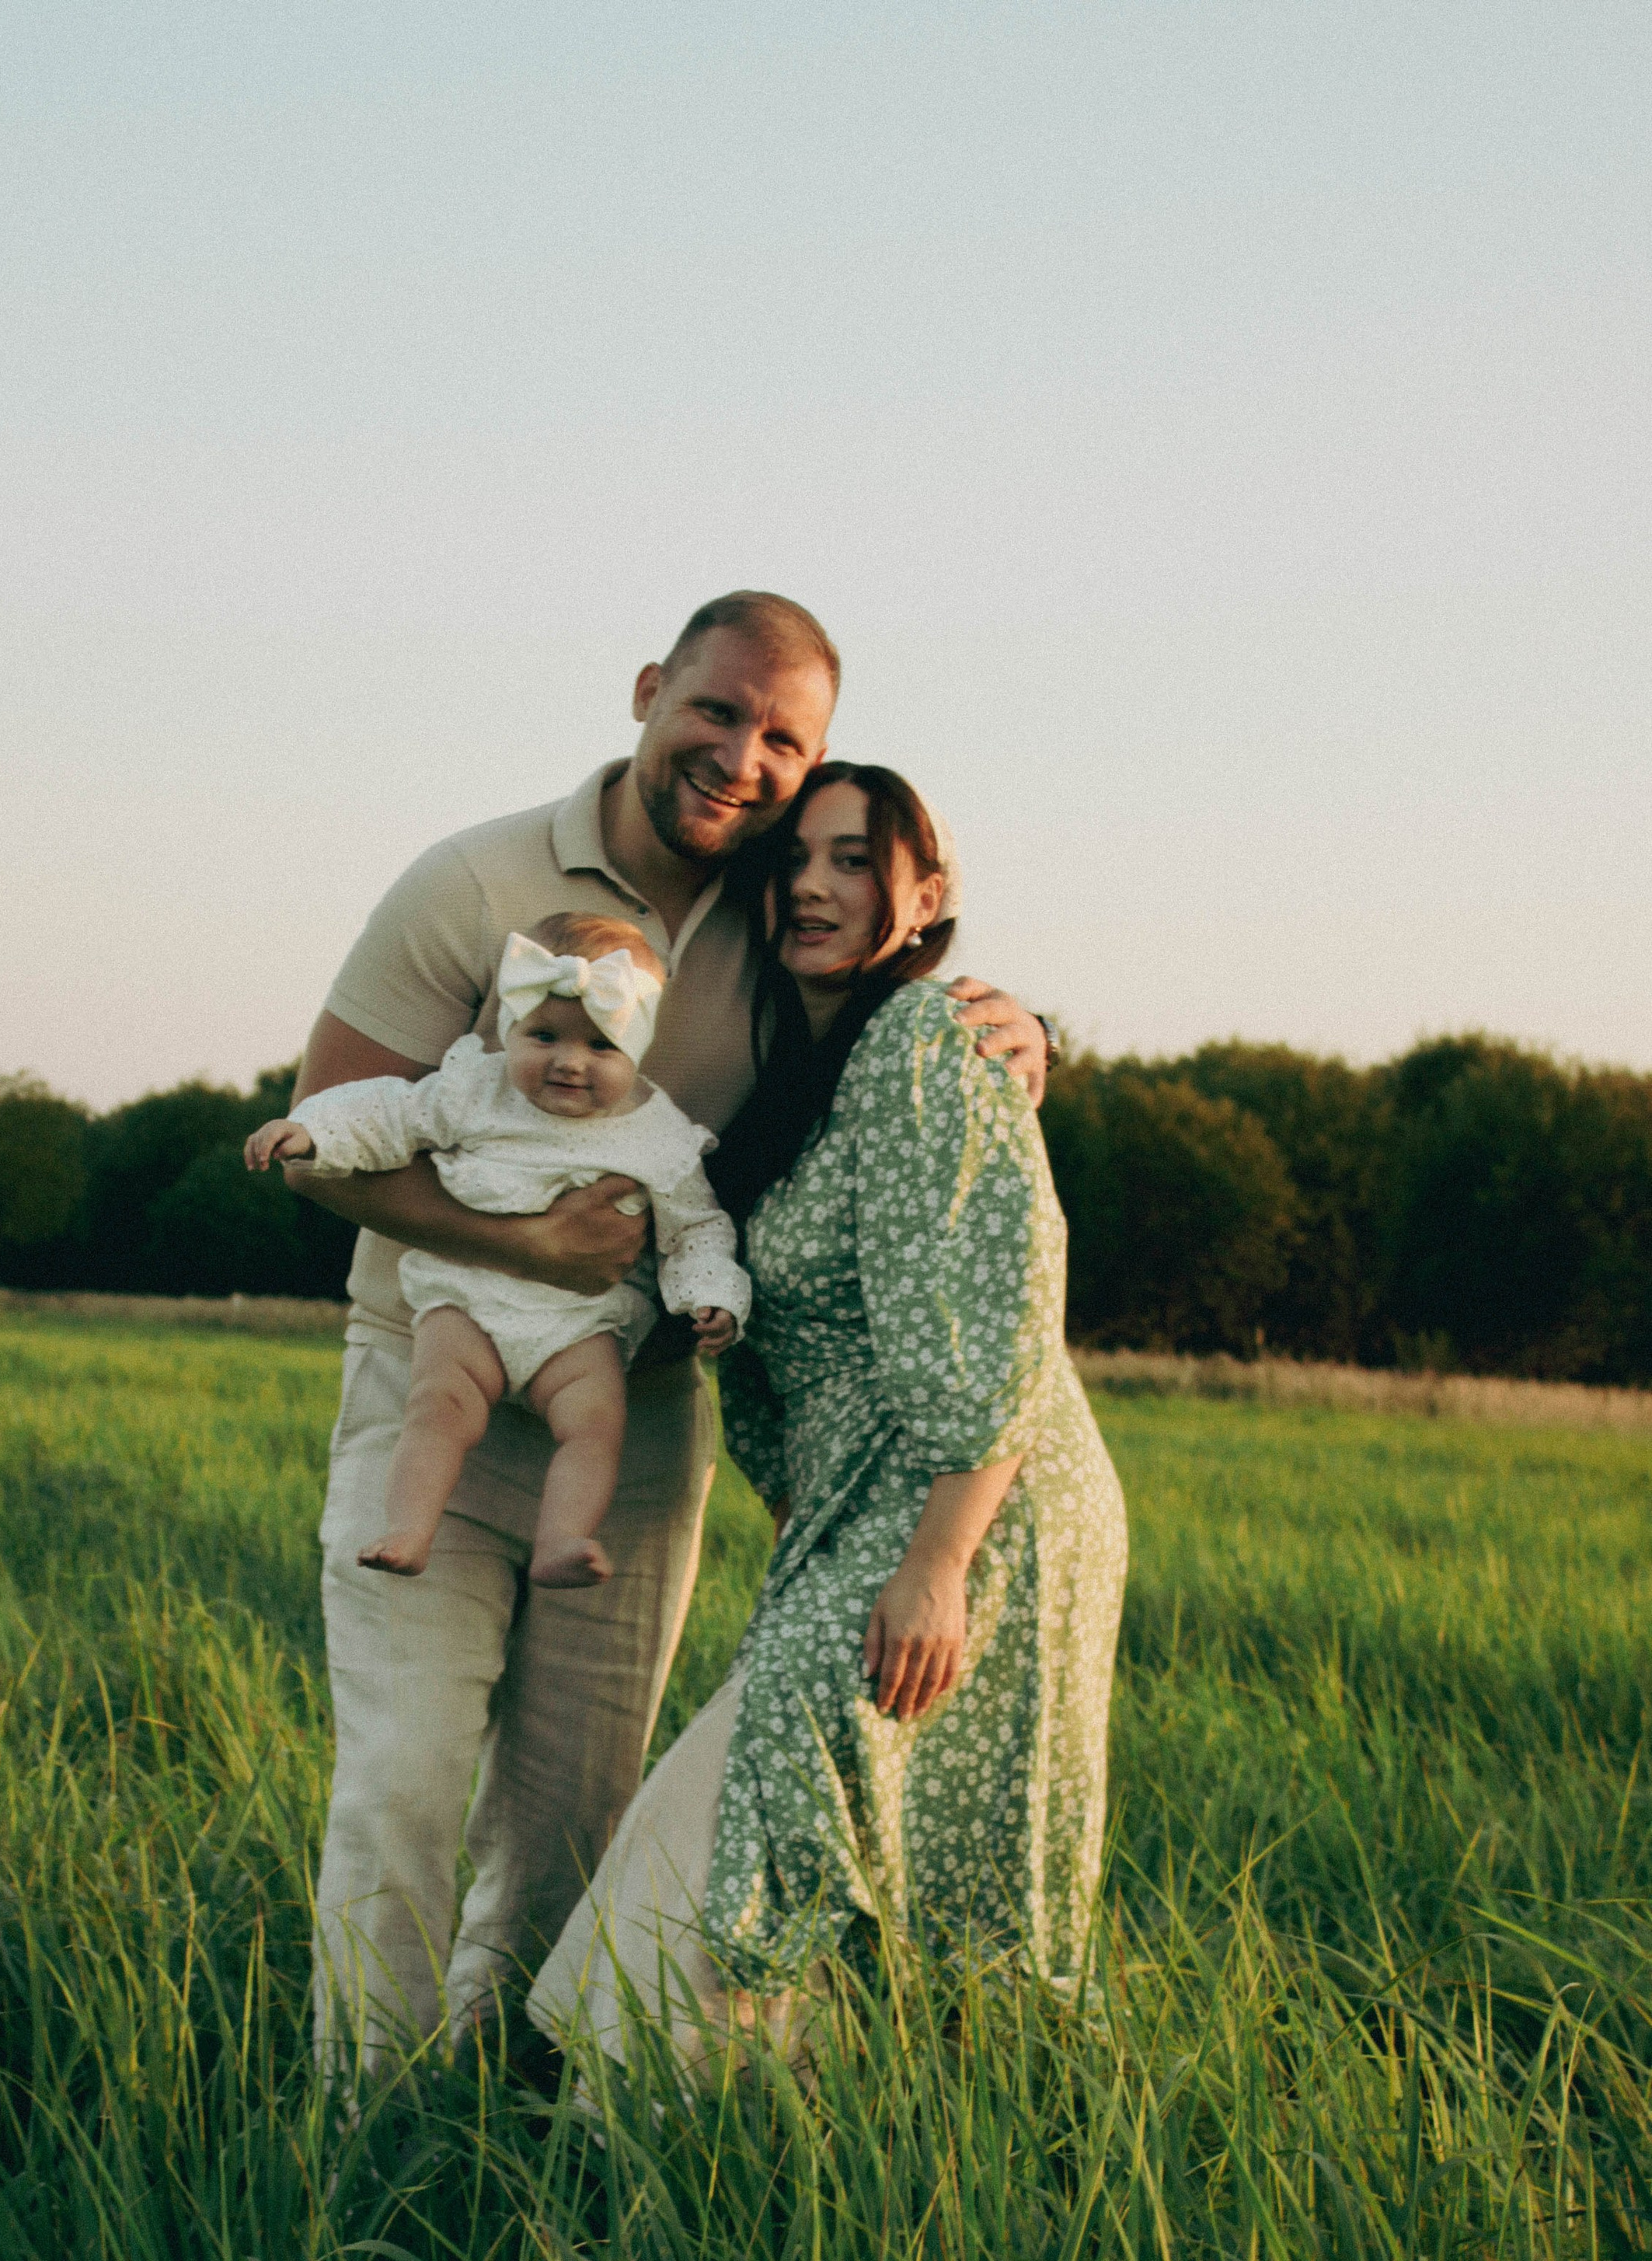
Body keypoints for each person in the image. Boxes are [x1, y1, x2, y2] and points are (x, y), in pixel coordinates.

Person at [284, 590, 1052, 2071]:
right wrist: (526, 1245)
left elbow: (893, 1021)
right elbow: (324, 1139)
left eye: (784, 739)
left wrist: (1022, 1036)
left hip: (631, 1431)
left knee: (574, 1808)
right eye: (716, 709)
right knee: (403, 1783)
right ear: (648, 691)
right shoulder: (471, 881)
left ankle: (508, 2106)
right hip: (436, 1397)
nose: (742, 758)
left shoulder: (781, 911)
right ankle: (365, 2120)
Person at [528, 762, 1127, 2075]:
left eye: (855, 859)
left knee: (775, 1784)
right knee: (810, 1799)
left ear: (927, 893)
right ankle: (797, 2120)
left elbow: (1001, 1301)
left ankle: (702, 2110)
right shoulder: (797, 1071)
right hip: (863, 1506)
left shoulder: (922, 1037)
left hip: (976, 1501)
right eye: (794, 858)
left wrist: (939, 1563)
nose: (812, 885)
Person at [245, 917, 748, 1589]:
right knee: (436, 1405)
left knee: (595, 1424)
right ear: (511, 1028)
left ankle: (563, 1538)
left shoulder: (656, 1133)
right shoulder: (475, 1091)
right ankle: (408, 1529)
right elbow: (391, 1115)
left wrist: (711, 1294)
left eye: (601, 1045)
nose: (569, 1061)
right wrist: (312, 1131)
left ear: (639, 1047)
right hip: (469, 1295)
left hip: (578, 1322)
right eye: (544, 1036)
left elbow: (695, 1228)